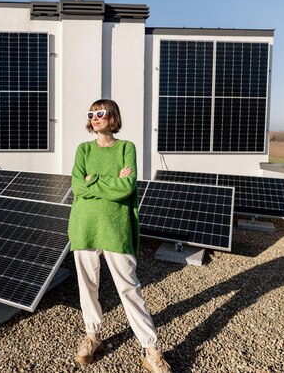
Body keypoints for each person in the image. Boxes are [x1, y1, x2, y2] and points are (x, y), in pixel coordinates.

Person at [67, 99, 171, 373]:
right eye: (91, 114)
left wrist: (94, 180)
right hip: (84, 226)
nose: (95, 118)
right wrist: (103, 180)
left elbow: (126, 187)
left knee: (129, 289)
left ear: (112, 116)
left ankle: (150, 349)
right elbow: (77, 186)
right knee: (88, 286)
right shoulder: (83, 149)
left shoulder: (126, 148)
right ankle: (93, 335)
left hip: (116, 229)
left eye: (100, 113)